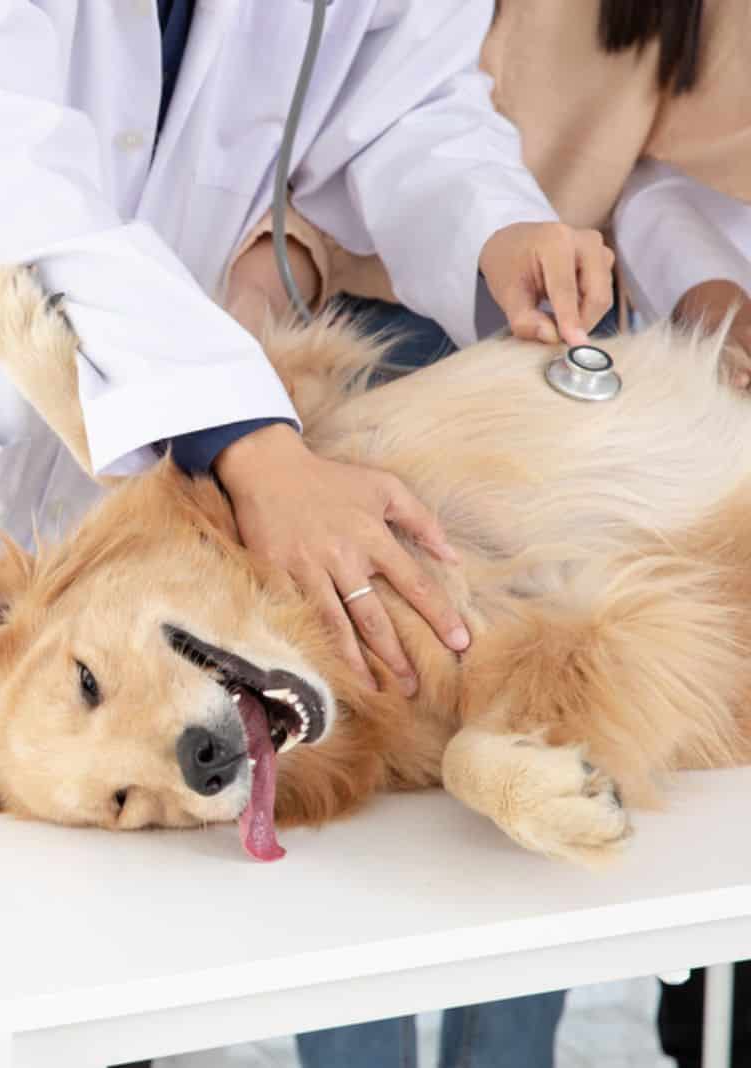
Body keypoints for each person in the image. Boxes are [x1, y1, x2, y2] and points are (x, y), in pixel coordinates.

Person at [0, 2, 614, 1066]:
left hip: (161, 490)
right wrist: (255, 449)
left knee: (99, 984)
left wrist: (490, 225)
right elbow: (7, 180)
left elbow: (401, 95)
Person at [227, 2, 750, 1066]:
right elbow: (306, 139)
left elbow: (682, 156)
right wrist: (251, 357)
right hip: (353, 357)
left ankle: (507, 1054)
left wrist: (708, 294)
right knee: (355, 763)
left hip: (543, 362)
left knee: (540, 751)